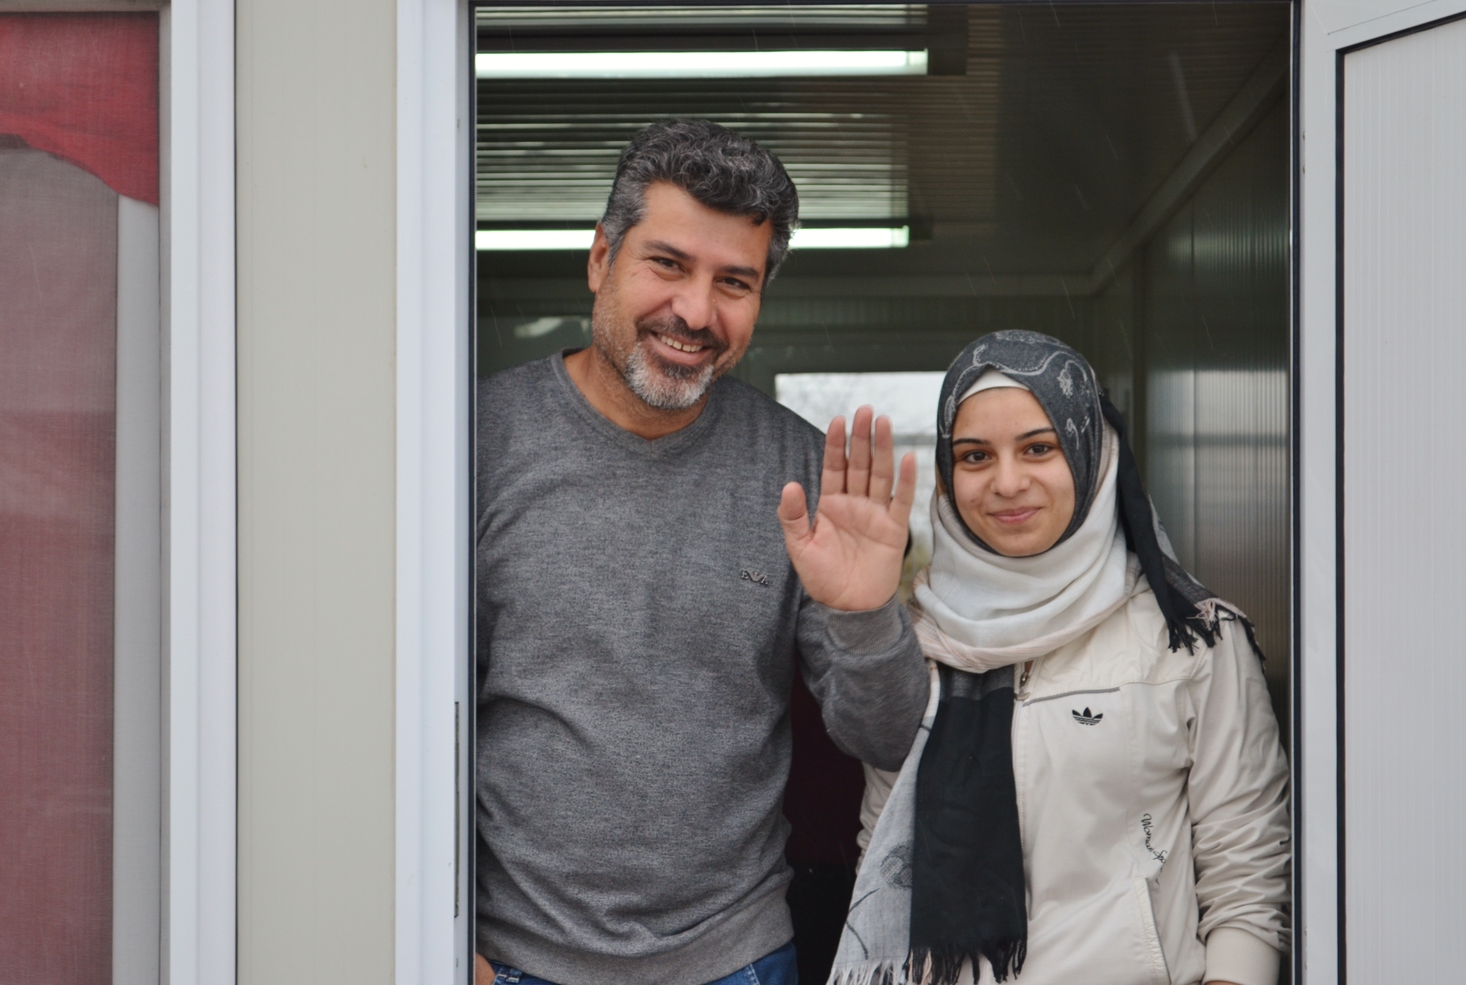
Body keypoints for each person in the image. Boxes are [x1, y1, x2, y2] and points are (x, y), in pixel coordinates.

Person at [474, 119, 931, 985]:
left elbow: (890, 734)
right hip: (512, 958)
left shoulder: (800, 473)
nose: (696, 312)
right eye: (668, 264)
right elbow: (414, 718)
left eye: (735, 282)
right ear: (601, 257)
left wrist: (867, 613)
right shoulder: (478, 442)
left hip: (736, 959)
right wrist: (437, 918)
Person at [830, 331, 1290, 985]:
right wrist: (860, 619)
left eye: (1038, 447)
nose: (1007, 482)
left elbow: (1248, 875)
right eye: (974, 455)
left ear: (1089, 452)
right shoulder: (922, 646)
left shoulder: (1193, 641)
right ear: (946, 472)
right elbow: (886, 861)